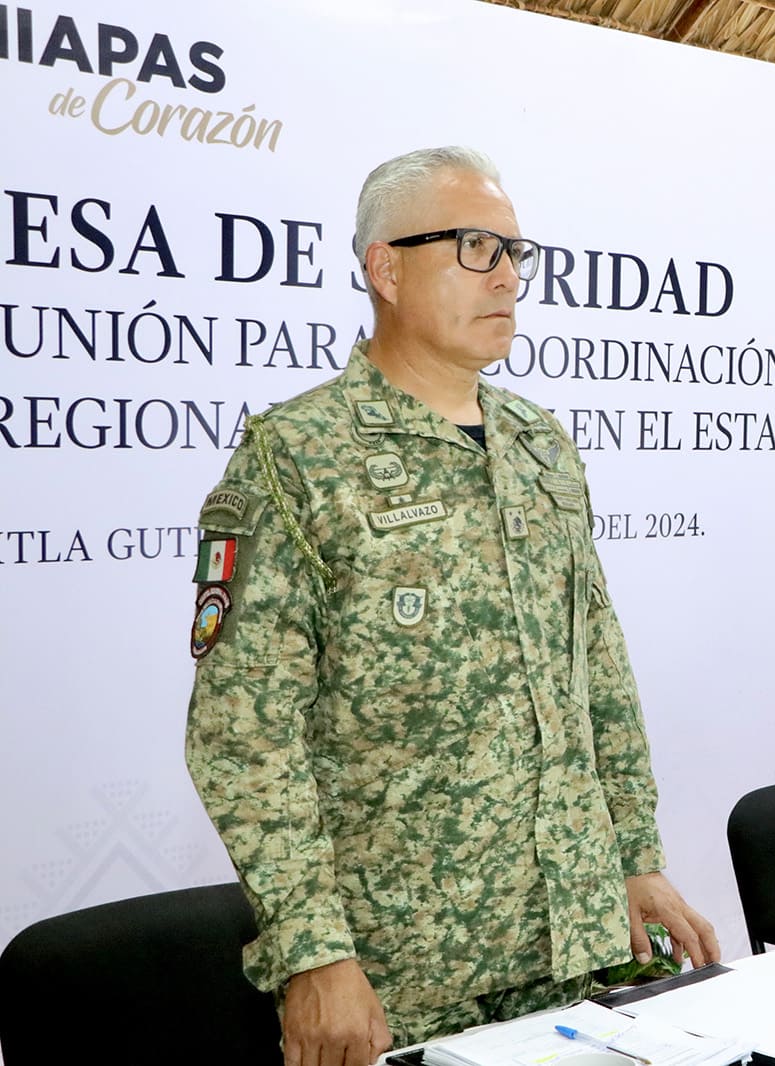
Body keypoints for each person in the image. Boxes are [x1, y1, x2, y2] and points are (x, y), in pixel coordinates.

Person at [184, 146, 719, 1064]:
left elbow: (597, 668)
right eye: (476, 247)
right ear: (384, 268)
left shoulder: (540, 444)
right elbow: (244, 733)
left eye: (516, 252)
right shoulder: (296, 457)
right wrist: (315, 953)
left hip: (576, 949)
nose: (508, 274)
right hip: (406, 978)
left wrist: (634, 857)